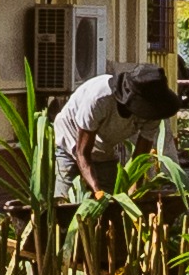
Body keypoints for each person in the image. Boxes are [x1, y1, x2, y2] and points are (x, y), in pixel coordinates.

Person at [55, 60, 180, 195]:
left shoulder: (154, 112)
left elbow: (140, 156)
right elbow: (82, 153)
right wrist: (97, 192)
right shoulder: (99, 99)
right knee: (66, 198)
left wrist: (134, 187)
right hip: (72, 139)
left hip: (104, 147)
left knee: (112, 196)